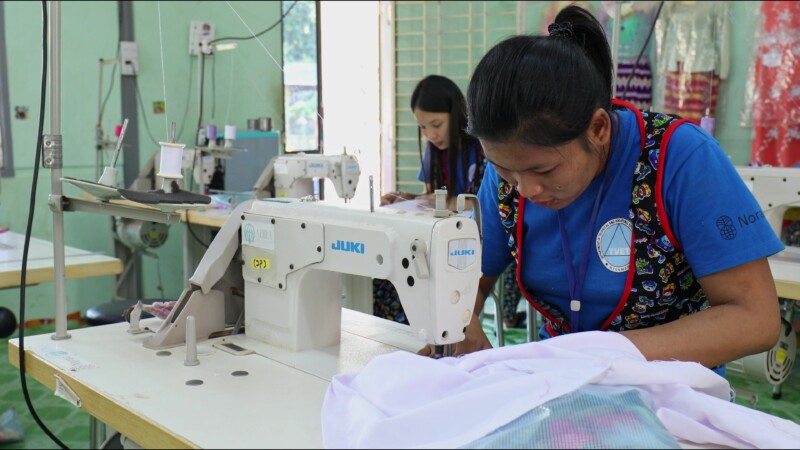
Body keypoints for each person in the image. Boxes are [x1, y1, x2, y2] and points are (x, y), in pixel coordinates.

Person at [419, 5, 784, 375]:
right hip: (560, 378)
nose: (526, 189)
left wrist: (601, 355)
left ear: (598, 129)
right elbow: (468, 280)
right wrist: (460, 319)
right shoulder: (510, 178)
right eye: (503, 169)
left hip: (669, 384)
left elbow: (755, 319)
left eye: (543, 170)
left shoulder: (681, 160)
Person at [376, 74, 521, 325]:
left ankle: (496, 318)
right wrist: (409, 198)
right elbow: (432, 196)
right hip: (446, 234)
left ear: (455, 115)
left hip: (478, 234)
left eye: (436, 124)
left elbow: (489, 203)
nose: (431, 134)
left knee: (515, 255)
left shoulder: (481, 148)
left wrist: (447, 201)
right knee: (389, 273)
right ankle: (404, 325)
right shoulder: (433, 152)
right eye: (423, 127)